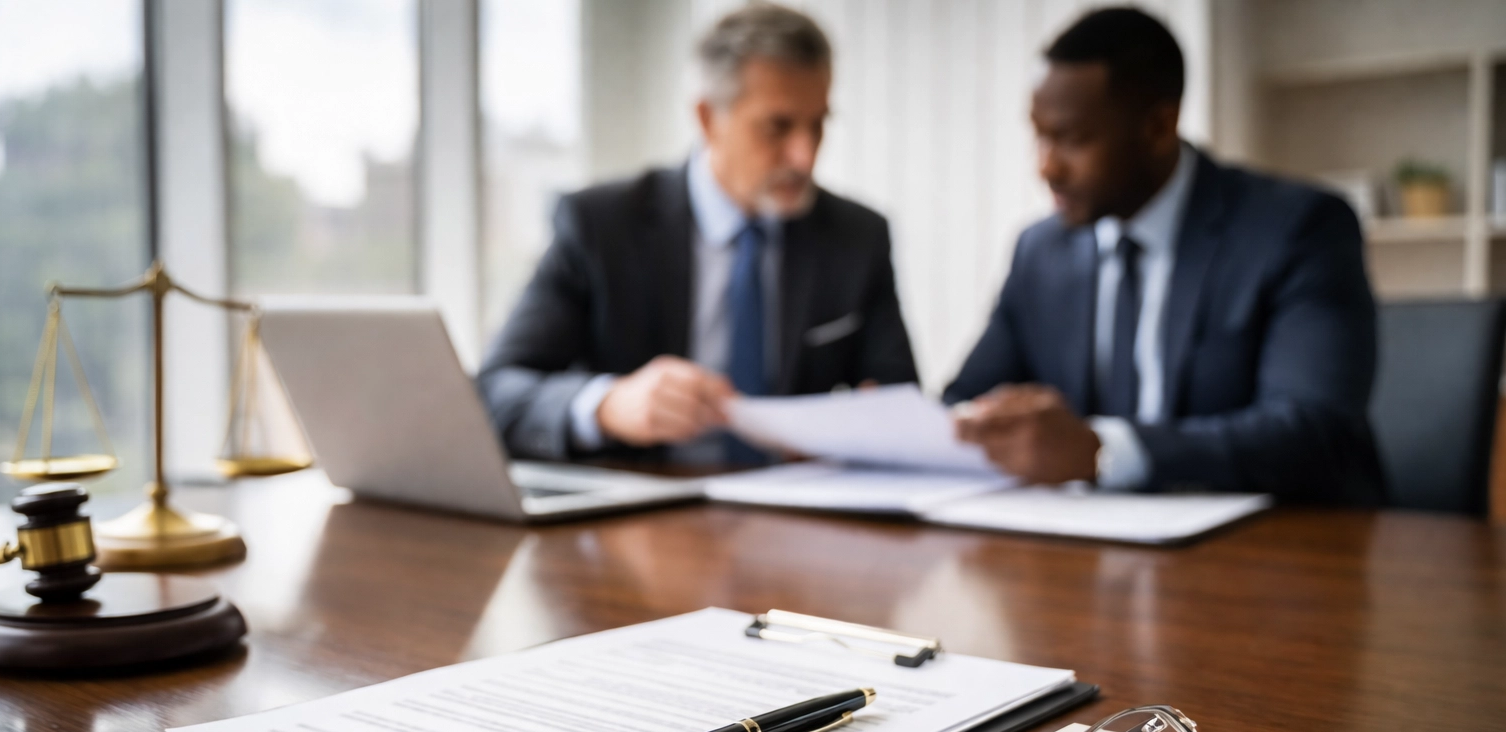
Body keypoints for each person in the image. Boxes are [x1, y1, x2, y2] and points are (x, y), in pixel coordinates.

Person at [945, 7, 1385, 504]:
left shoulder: (1296, 229)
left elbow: (1314, 431)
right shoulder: (1041, 251)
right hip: (1091, 554)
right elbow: (967, 399)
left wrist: (1101, 451)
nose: (1045, 166)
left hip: (1279, 550)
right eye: (1039, 135)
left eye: (1071, 138)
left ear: (1158, 125)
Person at [478, 3, 918, 463]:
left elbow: (899, 399)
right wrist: (607, 406)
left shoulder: (857, 237)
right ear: (708, 119)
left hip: (796, 513)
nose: (804, 156)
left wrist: (865, 427)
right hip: (640, 510)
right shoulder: (601, 225)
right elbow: (495, 392)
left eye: (818, 124)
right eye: (778, 127)